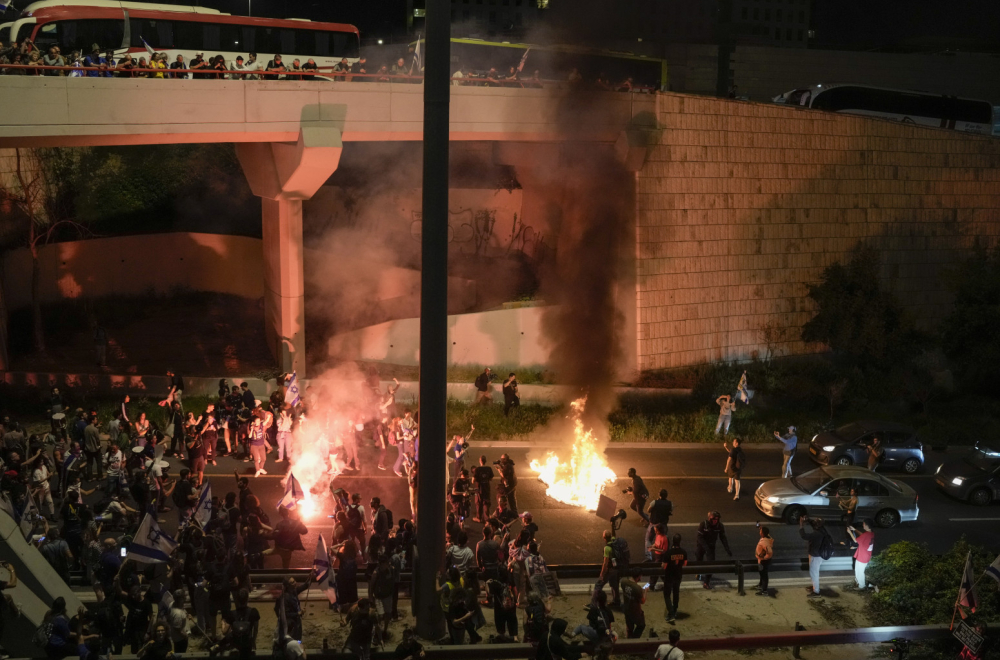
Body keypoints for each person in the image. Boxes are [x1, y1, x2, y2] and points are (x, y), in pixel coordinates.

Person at [695, 511, 731, 589]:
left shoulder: (719, 526)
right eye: (714, 520)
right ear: (710, 519)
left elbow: (723, 538)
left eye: (717, 520)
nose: (715, 521)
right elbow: (699, 537)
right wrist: (705, 547)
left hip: (711, 547)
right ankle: (699, 573)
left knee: (711, 564)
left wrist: (727, 549)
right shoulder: (703, 524)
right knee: (699, 560)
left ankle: (707, 582)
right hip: (702, 546)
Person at [799, 516, 831, 598]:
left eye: (815, 522)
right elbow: (813, 525)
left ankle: (816, 592)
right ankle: (814, 587)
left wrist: (801, 525)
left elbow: (804, 536)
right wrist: (808, 520)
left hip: (815, 556)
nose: (814, 523)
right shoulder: (822, 530)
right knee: (814, 572)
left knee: (814, 573)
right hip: (818, 555)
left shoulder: (816, 534)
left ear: (817, 525)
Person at [662, 533, 686, 624]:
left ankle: (671, 614)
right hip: (678, 575)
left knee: (667, 595)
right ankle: (675, 610)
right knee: (676, 593)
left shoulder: (668, 553)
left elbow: (664, 566)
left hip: (669, 576)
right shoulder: (683, 552)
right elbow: (685, 563)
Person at [846, 519, 875, 590]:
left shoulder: (865, 535)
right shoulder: (871, 533)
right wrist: (854, 529)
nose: (863, 525)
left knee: (859, 571)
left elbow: (856, 541)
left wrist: (850, 532)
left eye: (864, 524)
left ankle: (861, 586)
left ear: (867, 526)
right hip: (866, 555)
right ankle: (859, 583)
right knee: (858, 570)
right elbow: (862, 535)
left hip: (862, 556)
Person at [597, 529, 621, 607]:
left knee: (599, 584)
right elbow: (614, 536)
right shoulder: (614, 541)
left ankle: (596, 601)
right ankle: (616, 602)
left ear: (604, 538)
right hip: (616, 568)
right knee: (614, 585)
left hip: (610, 569)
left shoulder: (607, 548)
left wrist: (602, 574)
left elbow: (605, 563)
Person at [472, 456, 494, 522]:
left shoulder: (477, 469)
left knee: (478, 502)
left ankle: (479, 517)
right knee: (486, 502)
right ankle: (487, 518)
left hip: (479, 488)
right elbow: (491, 478)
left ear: (480, 461)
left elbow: (473, 480)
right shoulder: (489, 468)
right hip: (486, 487)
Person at [755, 525, 774, 596]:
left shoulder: (764, 542)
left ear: (762, 533)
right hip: (762, 560)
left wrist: (764, 557)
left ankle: (764, 591)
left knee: (764, 575)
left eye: (760, 531)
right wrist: (761, 528)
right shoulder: (768, 538)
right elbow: (767, 534)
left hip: (763, 561)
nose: (759, 532)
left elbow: (770, 551)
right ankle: (761, 585)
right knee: (762, 574)